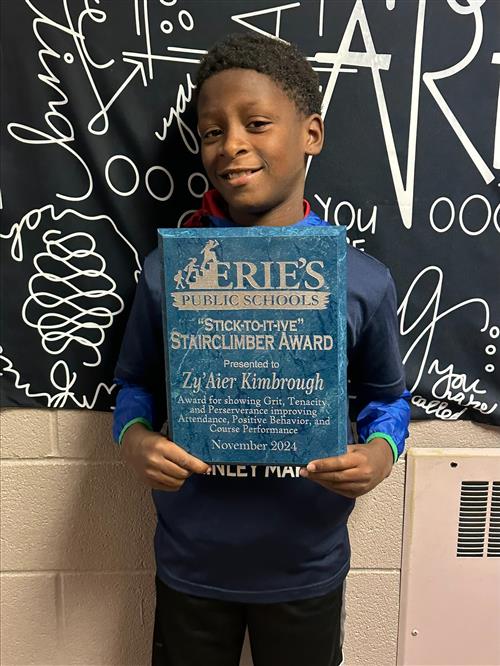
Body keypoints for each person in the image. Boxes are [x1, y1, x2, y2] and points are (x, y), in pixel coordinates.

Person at [113, 33, 411, 666]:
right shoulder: (169, 271)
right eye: (211, 131)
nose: (232, 146)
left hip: (305, 563)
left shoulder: (359, 280)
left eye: (256, 123)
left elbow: (389, 398)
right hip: (191, 562)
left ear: (311, 134)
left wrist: (381, 455)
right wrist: (133, 439)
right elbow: (134, 386)